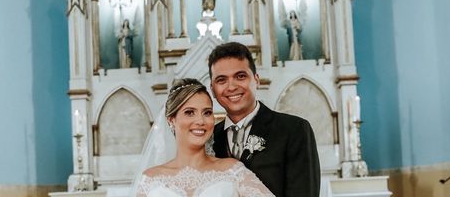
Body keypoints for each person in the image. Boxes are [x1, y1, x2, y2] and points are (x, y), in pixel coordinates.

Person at [209, 43, 320, 197]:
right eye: (221, 80)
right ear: (213, 89)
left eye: (240, 76)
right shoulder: (209, 139)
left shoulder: (294, 130)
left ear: (256, 80)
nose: (231, 87)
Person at [136, 78, 275, 197]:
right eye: (189, 112)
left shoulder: (232, 170)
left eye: (207, 112)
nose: (201, 121)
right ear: (171, 120)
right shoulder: (150, 180)